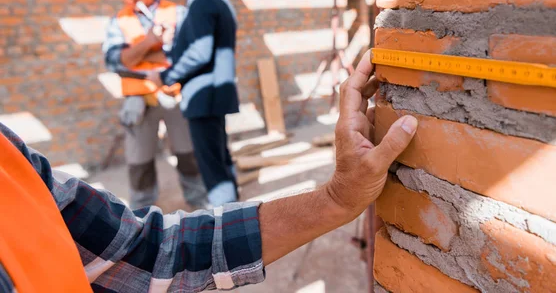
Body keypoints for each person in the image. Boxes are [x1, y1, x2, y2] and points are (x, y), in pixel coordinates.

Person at [0, 51, 418, 292]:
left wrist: (335, 201)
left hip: (182, 101)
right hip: (160, 99)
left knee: (199, 165)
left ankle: (206, 197)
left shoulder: (7, 157)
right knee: (151, 166)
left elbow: (149, 249)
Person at [103, 0, 207, 209]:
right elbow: (115, 61)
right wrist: (149, 42)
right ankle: (141, 213)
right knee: (139, 162)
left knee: (188, 154)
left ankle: (200, 204)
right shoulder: (119, 21)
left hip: (175, 96)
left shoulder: (177, 12)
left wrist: (138, 55)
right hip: (138, 101)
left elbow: (189, 55)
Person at [147, 0, 240, 207]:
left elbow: (200, 52)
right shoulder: (216, 1)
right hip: (213, 95)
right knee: (220, 159)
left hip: (204, 96)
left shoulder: (203, 2)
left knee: (212, 167)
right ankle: (234, 211)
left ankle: (225, 222)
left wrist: (164, 77)